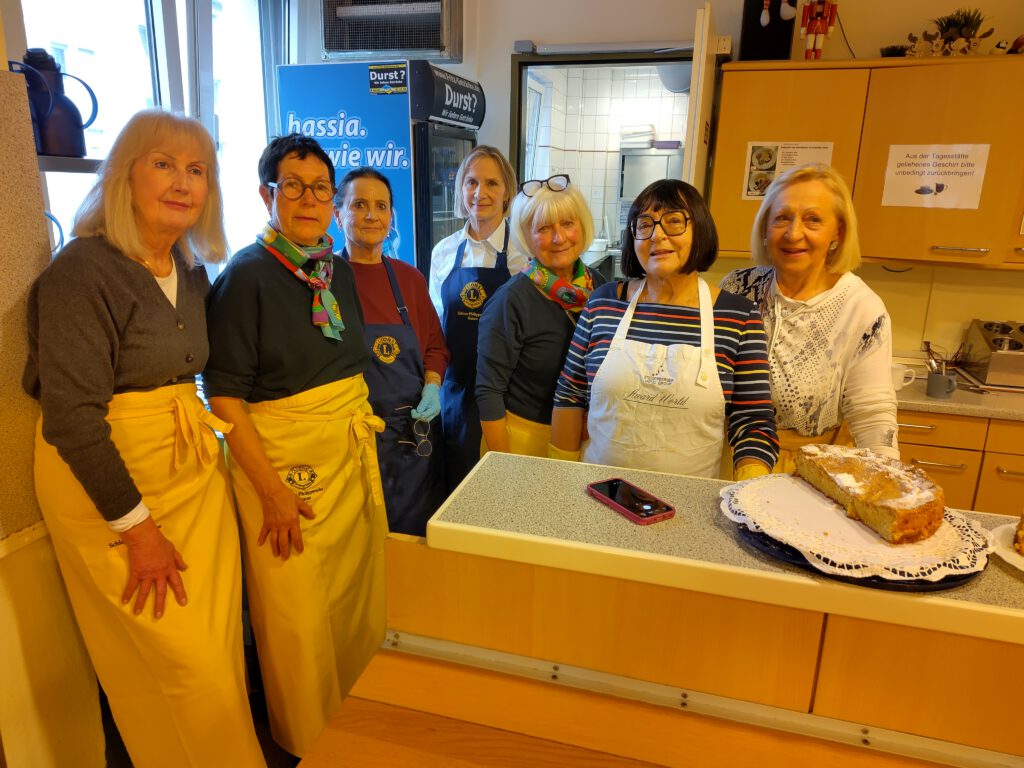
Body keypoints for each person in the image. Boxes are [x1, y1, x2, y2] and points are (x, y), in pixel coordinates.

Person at [23, 110, 265, 767]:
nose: (183, 183)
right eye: (164, 164)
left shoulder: (187, 267)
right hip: (115, 493)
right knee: (180, 666)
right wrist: (139, 531)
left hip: (189, 478)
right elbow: (73, 419)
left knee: (216, 660)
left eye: (197, 170)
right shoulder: (81, 273)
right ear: (124, 175)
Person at [204, 135, 386, 759]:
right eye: (293, 186)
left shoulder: (333, 268)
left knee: (354, 602)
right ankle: (311, 741)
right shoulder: (246, 276)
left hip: (344, 458)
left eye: (320, 188)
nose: (309, 200)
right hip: (283, 472)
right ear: (267, 195)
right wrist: (272, 491)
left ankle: (356, 721)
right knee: (298, 617)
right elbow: (224, 400)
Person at [550, 179, 778, 479]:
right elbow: (570, 395)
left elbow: (753, 421)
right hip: (597, 489)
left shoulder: (738, 316)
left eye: (674, 221)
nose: (657, 235)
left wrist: (749, 490)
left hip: (691, 500)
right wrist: (560, 480)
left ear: (700, 230)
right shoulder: (603, 303)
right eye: (645, 225)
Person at [719, 163, 898, 473]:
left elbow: (872, 414)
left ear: (837, 232)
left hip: (808, 472)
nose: (793, 233)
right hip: (730, 458)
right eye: (782, 218)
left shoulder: (860, 308)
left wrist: (886, 480)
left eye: (813, 219)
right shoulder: (737, 288)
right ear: (765, 227)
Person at [333, 167, 449, 536]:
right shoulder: (324, 282)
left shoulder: (409, 279)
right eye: (359, 205)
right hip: (351, 439)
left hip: (412, 437)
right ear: (338, 214)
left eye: (381, 206)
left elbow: (435, 346)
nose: (372, 215)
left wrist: (433, 386)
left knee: (412, 542)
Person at [476, 175, 606, 457]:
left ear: (582, 226)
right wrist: (501, 465)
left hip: (589, 437)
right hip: (525, 440)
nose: (559, 238)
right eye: (544, 228)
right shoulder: (511, 300)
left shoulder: (598, 286)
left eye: (567, 224)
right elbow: (489, 391)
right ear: (526, 236)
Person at [428, 146, 530, 488]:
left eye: (491, 183)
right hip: (455, 392)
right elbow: (435, 325)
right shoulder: (443, 252)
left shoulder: (523, 254)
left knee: (503, 487)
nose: (479, 192)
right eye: (471, 182)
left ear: (507, 192)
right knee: (457, 485)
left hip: (507, 395)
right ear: (461, 188)